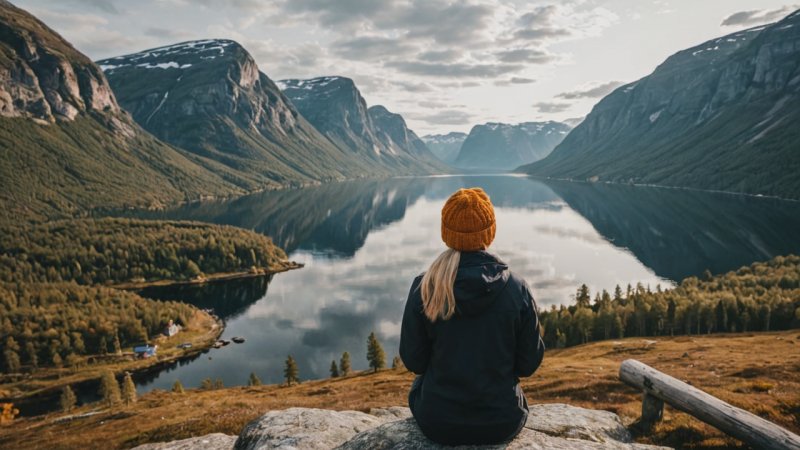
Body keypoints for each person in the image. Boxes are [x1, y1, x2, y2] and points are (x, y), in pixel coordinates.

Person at [400, 187, 545, 446]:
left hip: (438, 421)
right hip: (501, 421)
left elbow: (415, 361)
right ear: (489, 232)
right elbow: (528, 364)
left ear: (446, 233)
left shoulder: (425, 287)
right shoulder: (516, 288)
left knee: (419, 387)